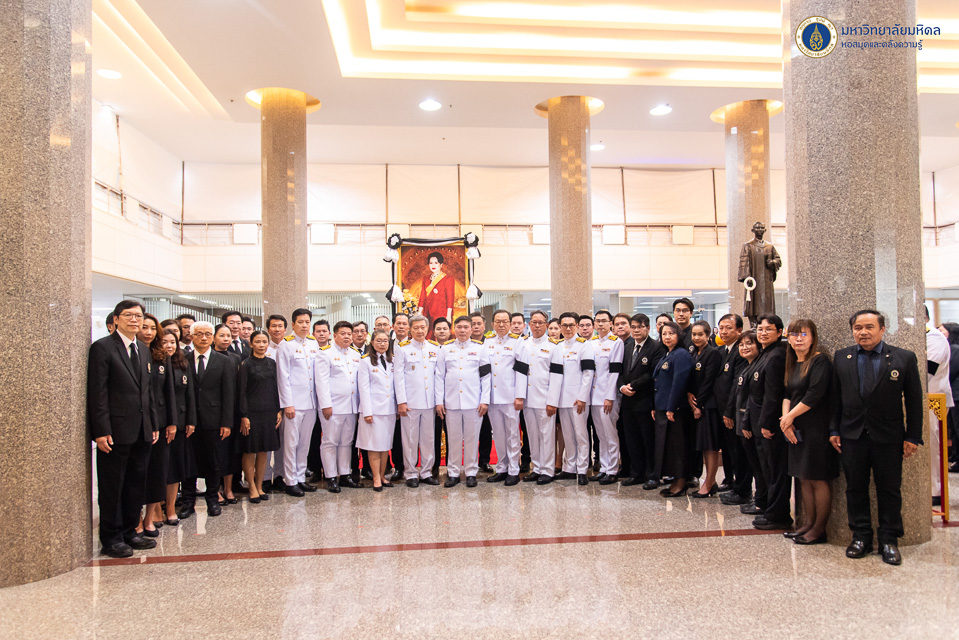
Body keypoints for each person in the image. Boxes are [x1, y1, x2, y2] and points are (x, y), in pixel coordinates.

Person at [830, 310, 923, 566]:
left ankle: (889, 540)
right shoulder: (842, 357)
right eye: (858, 328)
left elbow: (914, 401)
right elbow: (835, 398)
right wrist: (834, 430)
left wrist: (913, 436)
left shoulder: (903, 358)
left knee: (889, 489)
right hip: (852, 435)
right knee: (855, 487)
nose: (863, 332)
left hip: (889, 437)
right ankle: (860, 537)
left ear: (882, 329)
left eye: (869, 327)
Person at [87, 300, 159, 558]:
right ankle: (111, 537)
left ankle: (131, 532)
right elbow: (98, 392)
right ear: (116, 319)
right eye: (128, 315)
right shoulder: (103, 348)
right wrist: (101, 430)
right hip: (115, 430)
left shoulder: (143, 349)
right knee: (112, 486)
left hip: (142, 429)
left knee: (135, 484)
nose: (134, 320)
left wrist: (153, 423)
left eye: (138, 315)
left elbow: (147, 391)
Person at [779, 319, 836, 545]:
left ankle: (819, 529)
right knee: (803, 477)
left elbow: (814, 395)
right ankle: (808, 523)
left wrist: (790, 417)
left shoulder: (820, 361)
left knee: (817, 478)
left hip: (816, 427)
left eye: (804, 334)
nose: (798, 339)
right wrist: (785, 420)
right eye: (794, 334)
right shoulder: (793, 362)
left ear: (813, 338)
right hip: (796, 427)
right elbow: (787, 393)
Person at [178, 321, 235, 520]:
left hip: (215, 419)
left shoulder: (224, 361)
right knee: (189, 461)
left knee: (213, 461)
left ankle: (213, 499)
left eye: (207, 334)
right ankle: (188, 501)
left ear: (212, 337)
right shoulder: (182, 359)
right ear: (191, 336)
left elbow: (229, 393)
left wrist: (226, 422)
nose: (203, 338)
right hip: (188, 420)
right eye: (199, 334)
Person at [435, 315, 491, 488]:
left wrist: (485, 400)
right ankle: (453, 473)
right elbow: (439, 376)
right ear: (454, 329)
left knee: (472, 440)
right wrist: (439, 401)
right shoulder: (445, 349)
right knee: (453, 439)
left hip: (473, 402)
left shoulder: (480, 348)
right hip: (451, 403)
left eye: (466, 327)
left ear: (471, 329)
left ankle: (471, 472)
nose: (462, 330)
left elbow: (486, 376)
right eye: (459, 327)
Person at [746, 314, 791, 531]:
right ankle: (768, 507)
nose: (763, 333)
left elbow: (773, 394)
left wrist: (766, 423)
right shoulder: (765, 353)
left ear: (780, 332)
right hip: (758, 420)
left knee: (776, 471)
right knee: (767, 469)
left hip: (769, 424)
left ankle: (778, 514)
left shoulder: (777, 355)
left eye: (768, 329)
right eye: (760, 329)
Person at [137, 313, 176, 537]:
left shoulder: (161, 356)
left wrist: (172, 422)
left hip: (160, 422)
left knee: (157, 471)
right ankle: (136, 518)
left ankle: (150, 517)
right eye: (144, 327)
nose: (148, 332)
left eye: (152, 328)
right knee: (138, 471)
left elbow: (169, 391)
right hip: (139, 421)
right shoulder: (133, 355)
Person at [546, 312, 595, 485]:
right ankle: (569, 468)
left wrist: (582, 397)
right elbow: (555, 376)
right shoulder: (557, 346)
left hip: (578, 400)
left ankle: (582, 469)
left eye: (571, 325)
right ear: (560, 327)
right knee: (567, 435)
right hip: (562, 399)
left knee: (581, 435)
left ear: (576, 326)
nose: (567, 328)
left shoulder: (584, 345)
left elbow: (588, 373)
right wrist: (554, 399)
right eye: (564, 325)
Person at [276, 308, 320, 497]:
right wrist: (287, 403)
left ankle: (301, 477)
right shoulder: (285, 345)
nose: (304, 325)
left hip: (311, 403)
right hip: (294, 404)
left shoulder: (313, 343)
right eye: (300, 322)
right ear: (293, 324)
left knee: (304, 443)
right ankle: (290, 480)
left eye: (307, 322)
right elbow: (283, 377)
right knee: (291, 444)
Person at [393, 315, 441, 487]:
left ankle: (426, 472)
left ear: (427, 329)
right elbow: (398, 377)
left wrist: (438, 401)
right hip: (410, 403)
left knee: (428, 439)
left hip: (429, 403)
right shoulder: (403, 349)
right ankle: (411, 473)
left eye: (422, 327)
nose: (420, 331)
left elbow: (438, 377)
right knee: (410, 439)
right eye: (416, 328)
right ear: (410, 330)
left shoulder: (435, 348)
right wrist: (401, 402)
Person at [618, 313, 665, 488]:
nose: (636, 330)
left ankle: (652, 474)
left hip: (645, 401)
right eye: (634, 327)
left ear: (648, 328)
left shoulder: (656, 347)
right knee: (632, 440)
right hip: (627, 402)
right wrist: (621, 387)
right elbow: (620, 371)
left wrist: (632, 386)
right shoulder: (627, 347)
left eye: (640, 327)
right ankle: (636, 473)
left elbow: (652, 373)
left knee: (648, 440)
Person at [316, 320, 363, 493]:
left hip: (351, 407)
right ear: (334, 335)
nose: (347, 337)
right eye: (343, 334)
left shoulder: (355, 354)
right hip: (333, 407)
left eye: (349, 334)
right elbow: (321, 382)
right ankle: (330, 477)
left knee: (346, 442)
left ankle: (344, 475)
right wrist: (325, 405)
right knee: (330, 441)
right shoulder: (325, 354)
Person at [237, 330, 282, 504]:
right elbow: (242, 392)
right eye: (257, 342)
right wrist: (244, 415)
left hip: (269, 411)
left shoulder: (272, 363)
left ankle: (259, 485)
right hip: (252, 413)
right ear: (251, 344)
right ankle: (251, 487)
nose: (261, 345)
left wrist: (278, 410)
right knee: (250, 450)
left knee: (264, 450)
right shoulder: (246, 364)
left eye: (264, 342)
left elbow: (276, 388)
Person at [515, 310, 558, 484]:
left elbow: (556, 376)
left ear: (546, 325)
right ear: (529, 324)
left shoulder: (554, 346)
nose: (537, 326)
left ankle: (548, 470)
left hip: (545, 399)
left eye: (540, 323)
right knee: (532, 435)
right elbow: (520, 372)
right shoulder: (523, 343)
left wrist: (552, 401)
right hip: (527, 399)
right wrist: (519, 396)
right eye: (534, 322)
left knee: (546, 435)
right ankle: (537, 468)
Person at [715, 314, 754, 506]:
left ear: (739, 330)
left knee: (739, 453)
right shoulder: (722, 350)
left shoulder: (740, 353)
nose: (724, 331)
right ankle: (730, 481)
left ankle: (742, 489)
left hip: (734, 412)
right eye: (721, 327)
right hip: (721, 409)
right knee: (729, 450)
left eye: (729, 328)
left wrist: (729, 412)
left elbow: (735, 386)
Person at [652, 321, 694, 497]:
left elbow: (679, 383)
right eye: (664, 334)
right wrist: (656, 407)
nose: (667, 337)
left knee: (679, 447)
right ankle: (675, 480)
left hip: (675, 409)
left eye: (671, 333)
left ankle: (681, 482)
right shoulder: (668, 354)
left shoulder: (681, 354)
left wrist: (671, 407)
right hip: (663, 407)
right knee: (670, 446)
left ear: (679, 335)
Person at [160, 329, 196, 526]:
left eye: (173, 342)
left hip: (181, 424)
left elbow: (189, 394)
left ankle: (171, 508)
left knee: (175, 467)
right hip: (160, 423)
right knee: (159, 468)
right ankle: (156, 509)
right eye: (165, 342)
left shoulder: (182, 364)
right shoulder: (154, 364)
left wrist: (190, 420)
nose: (169, 346)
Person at [485, 310, 524, 485]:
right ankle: (502, 468)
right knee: (499, 435)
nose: (501, 325)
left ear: (510, 323)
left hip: (510, 397)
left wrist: (520, 396)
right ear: (492, 324)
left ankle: (514, 469)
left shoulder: (517, 341)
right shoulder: (488, 342)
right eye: (498, 321)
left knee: (512, 435)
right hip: (493, 397)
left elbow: (522, 370)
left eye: (505, 321)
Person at [357, 329, 397, 491]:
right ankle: (375, 478)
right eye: (379, 341)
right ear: (372, 343)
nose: (382, 344)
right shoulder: (365, 361)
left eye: (385, 341)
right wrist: (367, 412)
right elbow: (363, 388)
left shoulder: (392, 360)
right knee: (373, 445)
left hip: (389, 410)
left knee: (385, 445)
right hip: (373, 410)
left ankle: (382, 476)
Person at [588, 310, 624, 485]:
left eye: (604, 321)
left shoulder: (616, 343)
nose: (600, 324)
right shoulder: (592, 343)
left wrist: (609, 397)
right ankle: (603, 467)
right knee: (601, 435)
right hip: (594, 396)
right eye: (598, 321)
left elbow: (614, 372)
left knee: (610, 434)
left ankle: (613, 469)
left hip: (607, 396)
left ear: (611, 323)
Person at [688, 320, 722, 498]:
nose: (696, 337)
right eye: (694, 334)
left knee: (710, 446)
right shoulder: (693, 352)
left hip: (708, 405)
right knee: (703, 446)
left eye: (700, 334)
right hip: (696, 404)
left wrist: (698, 405)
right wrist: (688, 395)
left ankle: (709, 483)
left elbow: (708, 382)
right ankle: (710, 482)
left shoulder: (712, 353)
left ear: (708, 335)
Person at [925, 305, 951, 506]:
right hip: (924, 398)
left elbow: (927, 371)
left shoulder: (934, 338)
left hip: (934, 398)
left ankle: (935, 490)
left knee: (933, 443)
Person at [212, 324, 242, 504]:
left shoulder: (235, 358)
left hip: (234, 410)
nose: (225, 339)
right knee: (217, 453)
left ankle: (228, 489)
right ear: (214, 337)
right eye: (221, 335)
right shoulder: (209, 356)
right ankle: (215, 489)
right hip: (215, 411)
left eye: (228, 336)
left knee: (231, 452)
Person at [738, 221, 782, 326]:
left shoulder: (769, 246)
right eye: (757, 228)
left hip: (766, 281)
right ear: (753, 230)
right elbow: (744, 262)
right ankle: (754, 324)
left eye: (762, 228)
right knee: (754, 303)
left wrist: (772, 262)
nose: (760, 230)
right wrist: (747, 278)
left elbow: (778, 260)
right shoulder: (748, 246)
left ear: (765, 230)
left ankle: (767, 323)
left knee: (767, 305)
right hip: (754, 281)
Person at [471, 311, 495, 473]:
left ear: (484, 326)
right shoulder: (463, 344)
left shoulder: (491, 343)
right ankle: (470, 461)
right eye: (473, 324)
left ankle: (484, 460)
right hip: (469, 394)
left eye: (479, 324)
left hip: (488, 393)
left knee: (486, 428)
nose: (476, 327)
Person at [388, 313, 411, 480]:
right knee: (396, 435)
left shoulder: (415, 345)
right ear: (393, 326)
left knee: (412, 435)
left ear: (409, 327)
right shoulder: (385, 344)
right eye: (398, 323)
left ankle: (413, 466)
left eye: (404, 323)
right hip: (391, 396)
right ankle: (398, 466)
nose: (401, 326)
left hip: (411, 397)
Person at [431, 317, 451, 476]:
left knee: (452, 435)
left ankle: (452, 467)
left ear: (450, 331)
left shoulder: (454, 348)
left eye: (445, 328)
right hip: (433, 400)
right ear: (434, 332)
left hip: (452, 399)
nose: (442, 331)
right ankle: (434, 466)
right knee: (434, 434)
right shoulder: (429, 348)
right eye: (438, 329)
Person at [417, 251, 455, 336]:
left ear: (441, 264)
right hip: (427, 312)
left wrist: (448, 316)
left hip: (441, 313)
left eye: (436, 263)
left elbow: (450, 298)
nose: (433, 265)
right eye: (431, 263)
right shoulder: (426, 279)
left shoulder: (448, 279)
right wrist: (419, 313)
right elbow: (422, 297)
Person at [940, 322, 959, 472]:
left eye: (942, 331)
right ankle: (955, 456)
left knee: (957, 428)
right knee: (953, 428)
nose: (939, 333)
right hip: (954, 394)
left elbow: (950, 372)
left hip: (957, 394)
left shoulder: (955, 349)